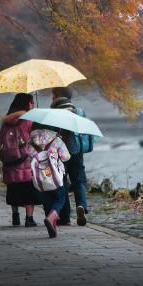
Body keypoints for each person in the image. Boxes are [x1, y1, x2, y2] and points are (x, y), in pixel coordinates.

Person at [0, 93, 41, 227]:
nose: (33, 105)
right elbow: (35, 140)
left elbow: (1, 141)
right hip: (25, 160)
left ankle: (15, 216)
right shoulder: (28, 120)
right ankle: (29, 218)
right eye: (31, 102)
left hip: (9, 160)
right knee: (28, 190)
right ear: (27, 104)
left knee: (13, 188)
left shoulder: (5, 122)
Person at [51, 86, 90, 227]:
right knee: (78, 180)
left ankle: (65, 218)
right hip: (76, 151)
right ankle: (82, 206)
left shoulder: (52, 113)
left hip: (59, 153)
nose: (51, 98)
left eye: (53, 95)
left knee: (62, 182)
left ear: (57, 96)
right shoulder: (79, 111)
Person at [27, 125, 70, 238]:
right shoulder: (56, 139)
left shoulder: (31, 141)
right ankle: (51, 218)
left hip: (41, 178)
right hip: (55, 176)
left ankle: (52, 227)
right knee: (60, 199)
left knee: (47, 201)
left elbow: (29, 159)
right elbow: (66, 157)